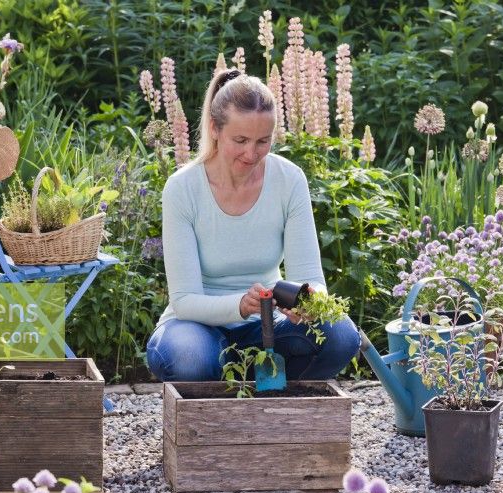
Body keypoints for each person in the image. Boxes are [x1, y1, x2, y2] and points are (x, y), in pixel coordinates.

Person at [146, 69, 360, 382]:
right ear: (215, 129)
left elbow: (312, 278)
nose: (251, 154)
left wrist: (308, 302)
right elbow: (185, 301)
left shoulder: (289, 180)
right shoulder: (182, 188)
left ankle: (272, 400)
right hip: (195, 327)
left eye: (263, 141)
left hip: (269, 328)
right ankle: (228, 382)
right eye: (241, 140)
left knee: (340, 335)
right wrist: (240, 306)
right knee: (189, 357)